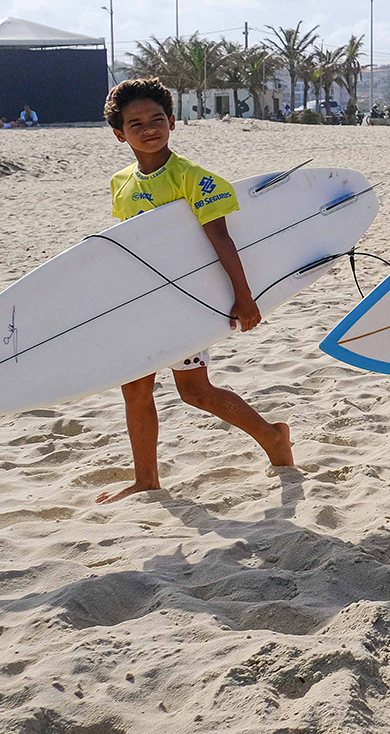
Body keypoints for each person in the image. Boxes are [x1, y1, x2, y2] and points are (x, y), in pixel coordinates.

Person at [97, 78, 292, 503]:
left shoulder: (192, 179)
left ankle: (273, 436)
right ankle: (146, 479)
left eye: (157, 119)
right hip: (141, 302)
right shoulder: (121, 183)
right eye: (136, 123)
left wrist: (244, 297)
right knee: (135, 389)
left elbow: (221, 240)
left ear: (172, 122)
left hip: (185, 303)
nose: (149, 128)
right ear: (119, 134)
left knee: (195, 392)